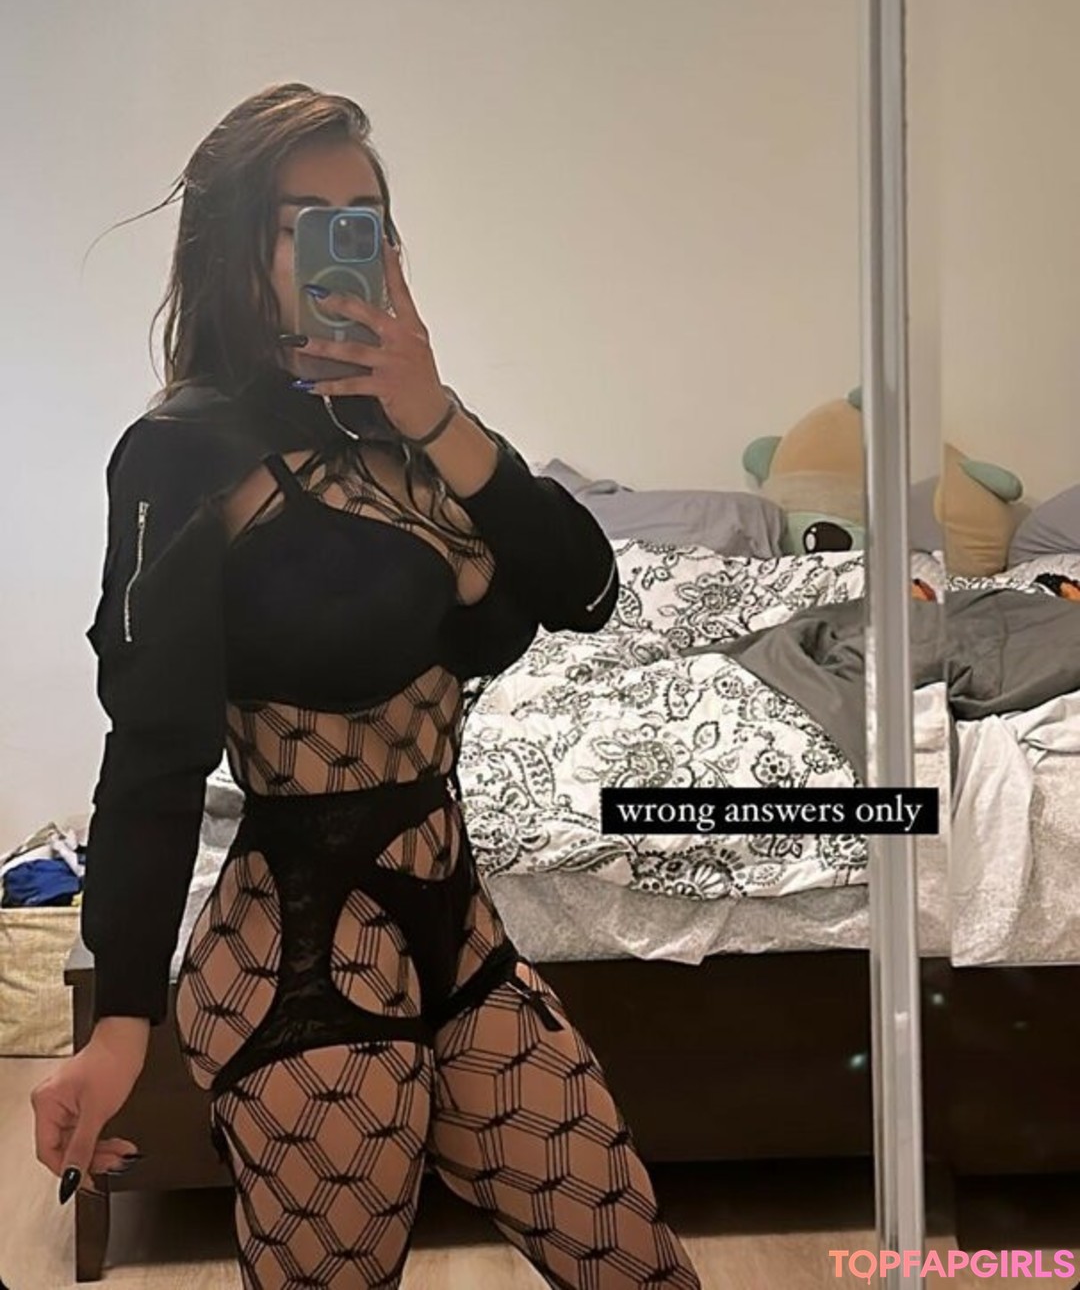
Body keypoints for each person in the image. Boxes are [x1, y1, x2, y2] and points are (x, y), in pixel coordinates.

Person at [31, 83, 701, 1290]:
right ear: (237, 246)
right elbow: (154, 747)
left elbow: (588, 590)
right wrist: (121, 1019)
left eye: (370, 222)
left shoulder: (409, 427)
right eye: (310, 223)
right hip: (297, 962)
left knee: (641, 1266)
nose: (352, 249)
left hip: (459, 933)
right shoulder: (181, 451)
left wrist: (436, 411)